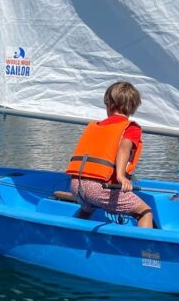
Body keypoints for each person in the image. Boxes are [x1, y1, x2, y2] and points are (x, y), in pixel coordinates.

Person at [65, 81, 154, 228]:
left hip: (76, 185)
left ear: (109, 104)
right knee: (145, 212)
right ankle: (144, 249)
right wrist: (120, 175)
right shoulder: (130, 128)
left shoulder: (97, 126)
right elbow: (124, 148)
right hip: (99, 188)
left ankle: (72, 234)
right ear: (133, 107)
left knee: (88, 208)